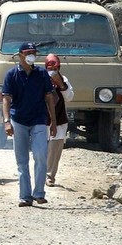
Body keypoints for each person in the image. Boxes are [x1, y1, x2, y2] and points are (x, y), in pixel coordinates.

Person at [2, 42, 57, 207]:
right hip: (18, 121)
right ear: (20, 55)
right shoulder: (11, 75)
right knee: (22, 160)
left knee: (40, 155)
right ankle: (25, 196)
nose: (31, 55)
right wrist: (6, 122)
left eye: (34, 52)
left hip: (39, 120)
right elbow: (6, 99)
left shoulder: (41, 74)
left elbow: (49, 98)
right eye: (28, 52)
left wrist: (53, 122)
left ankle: (39, 193)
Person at [45, 54, 73, 187]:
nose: (52, 70)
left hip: (60, 120)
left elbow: (69, 97)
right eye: (49, 67)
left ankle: (50, 175)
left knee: (55, 149)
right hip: (43, 119)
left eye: (54, 67)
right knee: (42, 149)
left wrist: (60, 84)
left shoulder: (64, 80)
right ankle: (40, 173)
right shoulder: (41, 78)